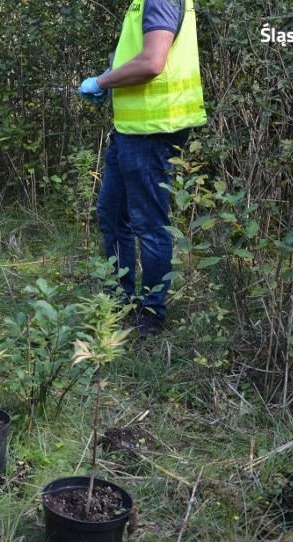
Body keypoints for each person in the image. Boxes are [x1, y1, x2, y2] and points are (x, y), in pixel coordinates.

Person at [78, 0, 207, 336]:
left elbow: (152, 62)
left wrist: (102, 81)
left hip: (153, 130)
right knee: (112, 212)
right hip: (131, 128)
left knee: (148, 225)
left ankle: (151, 315)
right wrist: (110, 81)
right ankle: (120, 301)